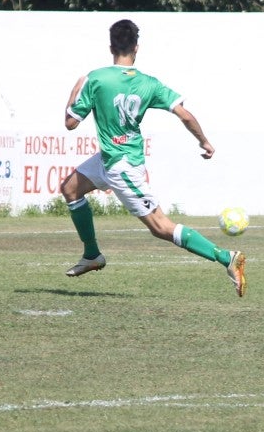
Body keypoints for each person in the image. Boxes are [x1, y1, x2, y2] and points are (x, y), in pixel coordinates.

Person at [59, 19, 246, 297]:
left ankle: (226, 258)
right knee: (70, 188)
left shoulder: (95, 78)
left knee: (160, 227)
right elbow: (183, 113)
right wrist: (203, 141)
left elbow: (70, 122)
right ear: (137, 47)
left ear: (111, 46)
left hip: (120, 166)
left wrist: (75, 91)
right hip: (112, 159)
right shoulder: (149, 83)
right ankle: (92, 255)